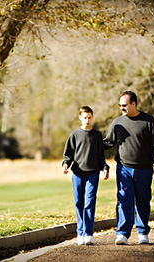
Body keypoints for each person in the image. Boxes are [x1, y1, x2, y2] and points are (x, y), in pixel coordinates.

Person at [103, 91, 154, 245]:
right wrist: (90, 142)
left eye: (124, 105)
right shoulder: (117, 122)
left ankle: (143, 233)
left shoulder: (148, 121)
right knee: (123, 200)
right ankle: (122, 234)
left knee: (143, 201)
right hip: (123, 168)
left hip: (144, 169)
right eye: (120, 106)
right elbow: (108, 142)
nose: (121, 108)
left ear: (133, 104)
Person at [62, 105, 110, 245]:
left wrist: (105, 168)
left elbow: (101, 156)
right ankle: (80, 232)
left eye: (89, 118)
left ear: (92, 117)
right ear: (80, 118)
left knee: (89, 203)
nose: (87, 120)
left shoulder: (97, 135)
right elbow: (68, 155)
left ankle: (88, 234)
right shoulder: (74, 135)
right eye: (84, 118)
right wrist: (66, 165)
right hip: (77, 174)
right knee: (79, 203)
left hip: (93, 174)